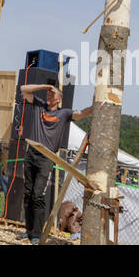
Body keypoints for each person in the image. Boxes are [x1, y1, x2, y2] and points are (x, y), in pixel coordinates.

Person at [18, 82, 92, 242]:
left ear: (59, 99)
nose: (49, 96)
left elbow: (81, 113)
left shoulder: (64, 113)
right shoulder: (39, 105)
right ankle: (28, 230)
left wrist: (96, 106)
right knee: (28, 194)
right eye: (48, 94)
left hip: (47, 157)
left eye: (53, 94)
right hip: (32, 153)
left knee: (38, 195)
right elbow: (23, 89)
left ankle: (36, 235)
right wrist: (45, 86)